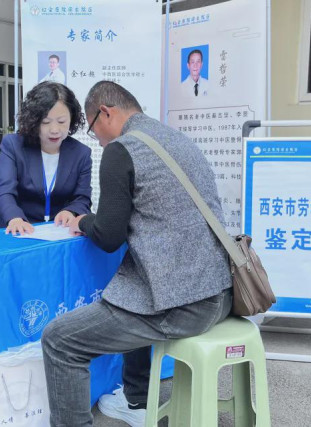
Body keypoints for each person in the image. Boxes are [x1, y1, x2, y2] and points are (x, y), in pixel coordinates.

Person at [41, 81, 232, 426]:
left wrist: (82, 221)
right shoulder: (177, 140)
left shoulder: (122, 150)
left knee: (60, 340)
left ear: (106, 112)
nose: (98, 140)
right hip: (222, 293)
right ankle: (137, 399)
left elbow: (108, 236)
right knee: (131, 292)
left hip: (185, 306)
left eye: (93, 129)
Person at [0, 81, 91, 234]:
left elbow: (82, 197)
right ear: (34, 120)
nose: (54, 130)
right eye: (46, 122)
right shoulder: (13, 145)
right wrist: (14, 218)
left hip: (58, 232)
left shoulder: (81, 153)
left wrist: (71, 211)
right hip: (17, 229)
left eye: (61, 121)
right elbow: (4, 191)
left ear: (72, 119)